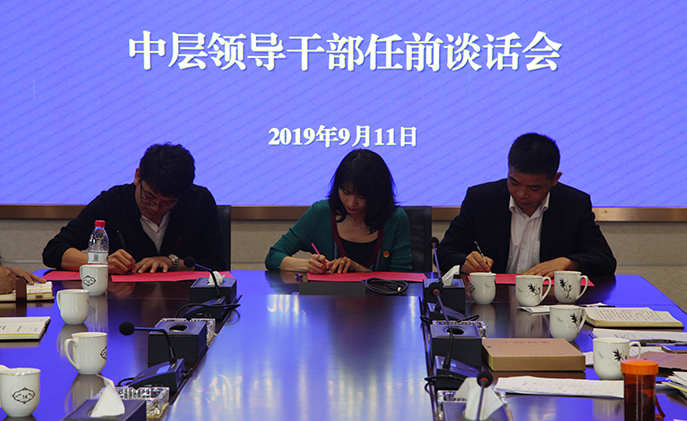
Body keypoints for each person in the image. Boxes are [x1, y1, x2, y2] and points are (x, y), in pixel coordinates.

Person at [438, 133, 616, 278]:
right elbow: (444, 252)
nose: (521, 194)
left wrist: (568, 263)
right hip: (492, 300)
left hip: (550, 302)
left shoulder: (574, 204)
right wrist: (465, 263)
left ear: (555, 179)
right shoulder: (481, 199)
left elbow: (605, 261)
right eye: (514, 182)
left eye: (534, 187)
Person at [42, 143, 226, 274]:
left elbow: (216, 264)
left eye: (168, 203)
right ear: (138, 176)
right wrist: (102, 262)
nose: (156, 208)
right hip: (121, 305)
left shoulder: (199, 201)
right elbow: (54, 251)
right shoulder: (113, 202)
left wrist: (171, 263)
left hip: (185, 303)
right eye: (149, 198)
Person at [265, 149, 412, 273]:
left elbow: (402, 279)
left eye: (361, 195)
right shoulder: (320, 213)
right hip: (327, 299)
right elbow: (273, 257)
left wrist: (356, 268)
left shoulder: (395, 219)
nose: (351, 202)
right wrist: (309, 265)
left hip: (381, 300)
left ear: (377, 193)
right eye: (346, 192)